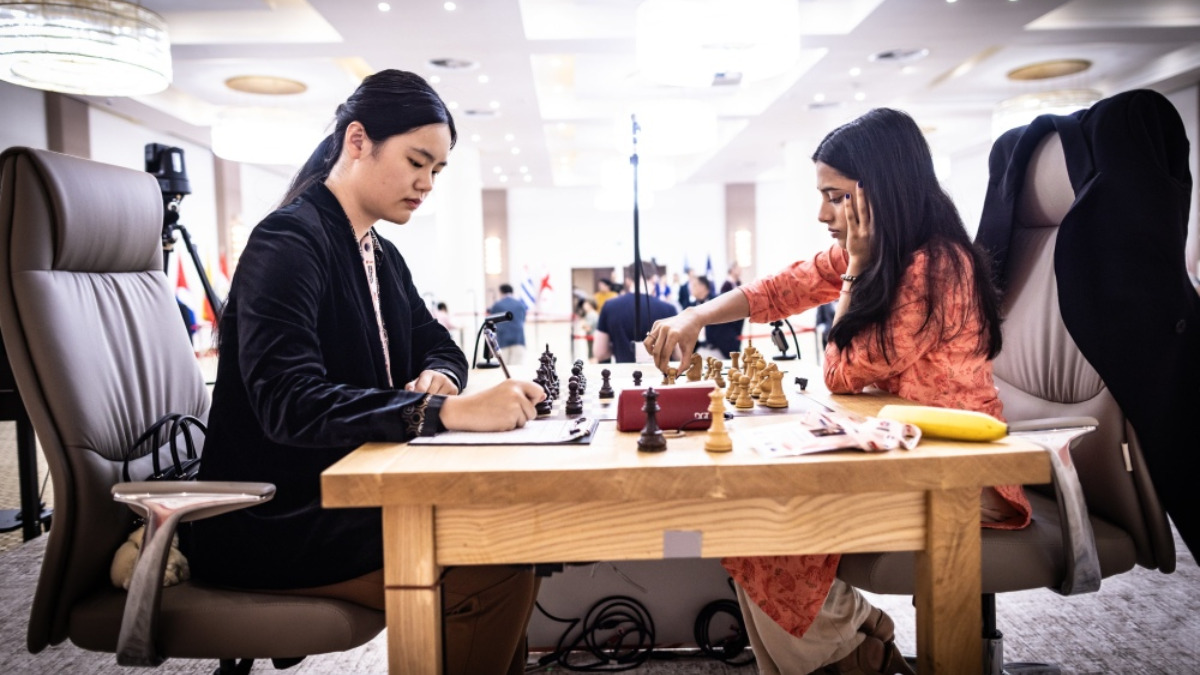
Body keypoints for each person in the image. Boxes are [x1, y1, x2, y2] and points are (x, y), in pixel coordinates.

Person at [187, 69, 545, 675]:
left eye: (437, 170)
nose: (427, 183)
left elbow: (440, 346)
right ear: (357, 140)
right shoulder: (288, 241)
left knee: (503, 536)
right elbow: (290, 403)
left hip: (345, 488)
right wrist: (443, 414)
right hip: (272, 517)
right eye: (416, 161)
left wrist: (440, 378)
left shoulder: (379, 252)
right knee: (494, 562)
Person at [643, 108, 1022, 675]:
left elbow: (843, 372)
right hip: (904, 454)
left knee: (770, 528)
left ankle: (859, 648)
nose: (822, 213)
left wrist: (853, 274)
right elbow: (782, 288)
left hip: (958, 472)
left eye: (835, 196)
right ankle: (857, 637)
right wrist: (697, 314)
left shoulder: (935, 269)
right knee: (751, 520)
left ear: (881, 193)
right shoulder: (887, 251)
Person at [594, 265, 679, 363]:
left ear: (628, 280)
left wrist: (619, 349)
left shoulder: (609, 306)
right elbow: (677, 354)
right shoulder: (668, 309)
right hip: (659, 374)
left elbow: (600, 353)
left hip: (625, 374)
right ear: (653, 279)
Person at [488, 283, 527, 365]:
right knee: (516, 368)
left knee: (504, 368)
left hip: (503, 340)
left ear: (501, 292)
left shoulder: (497, 305)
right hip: (518, 340)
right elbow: (523, 320)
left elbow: (491, 322)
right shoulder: (520, 304)